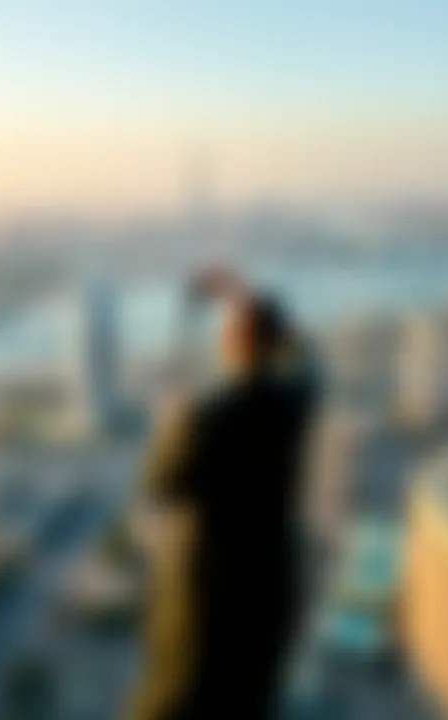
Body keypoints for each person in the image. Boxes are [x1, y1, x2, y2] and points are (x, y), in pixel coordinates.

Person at [129, 268, 324, 720]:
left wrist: (171, 422)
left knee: (176, 702)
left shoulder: (207, 421)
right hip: (272, 590)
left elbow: (160, 485)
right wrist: (250, 301)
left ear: (230, 344)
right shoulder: (295, 404)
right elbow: (309, 360)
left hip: (211, 604)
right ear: (276, 345)